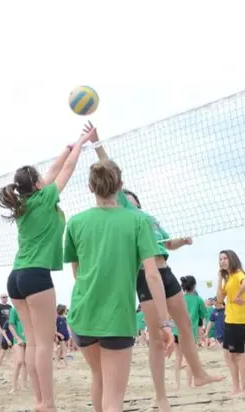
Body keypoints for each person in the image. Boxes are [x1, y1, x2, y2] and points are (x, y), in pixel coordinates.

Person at [85, 125, 222, 411]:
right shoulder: (125, 211)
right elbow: (108, 169)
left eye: (133, 198)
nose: (129, 198)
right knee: (158, 341)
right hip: (145, 277)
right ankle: (161, 399)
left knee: (186, 327)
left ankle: (198, 374)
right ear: (122, 195)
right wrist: (97, 143)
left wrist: (181, 242)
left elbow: (165, 244)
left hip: (166, 274)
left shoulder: (150, 219)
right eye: (125, 195)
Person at [0, 125, 95, 412]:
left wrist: (71, 143)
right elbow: (67, 169)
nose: (46, 176)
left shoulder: (25, 202)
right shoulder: (46, 197)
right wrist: (82, 143)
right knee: (42, 343)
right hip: (36, 275)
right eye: (41, 177)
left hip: (15, 277)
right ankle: (47, 403)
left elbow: (53, 168)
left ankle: (39, 401)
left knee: (31, 341)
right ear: (38, 184)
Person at [64, 159, 174, 412]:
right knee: (114, 400)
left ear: (90, 187)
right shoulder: (137, 222)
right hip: (116, 318)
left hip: (81, 316)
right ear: (120, 186)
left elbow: (77, 273)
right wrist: (164, 322)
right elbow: (153, 276)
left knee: (99, 377)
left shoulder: (76, 223)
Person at [217, 249, 245, 397]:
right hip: (229, 319)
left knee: (238, 355)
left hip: (238, 319)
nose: (222, 261)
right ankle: (236, 388)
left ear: (231, 259)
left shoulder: (238, 274)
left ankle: (244, 389)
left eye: (225, 258)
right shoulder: (228, 278)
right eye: (220, 259)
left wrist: (237, 295)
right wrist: (219, 278)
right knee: (229, 355)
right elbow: (219, 299)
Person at [174, 276, 207, 389]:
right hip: (190, 332)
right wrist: (203, 329)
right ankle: (190, 384)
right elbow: (204, 315)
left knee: (178, 357)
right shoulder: (198, 300)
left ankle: (177, 383)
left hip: (177, 330)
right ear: (194, 286)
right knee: (190, 359)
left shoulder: (179, 298)